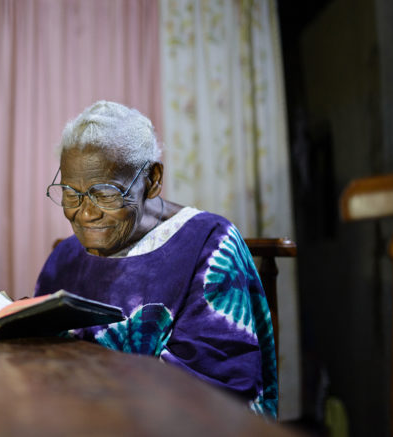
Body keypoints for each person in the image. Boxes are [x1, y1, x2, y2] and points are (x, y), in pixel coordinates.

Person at [35, 100, 278, 418]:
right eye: (70, 194)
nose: (86, 213)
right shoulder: (65, 256)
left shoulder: (208, 244)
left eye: (106, 193)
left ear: (152, 179)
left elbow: (220, 390)